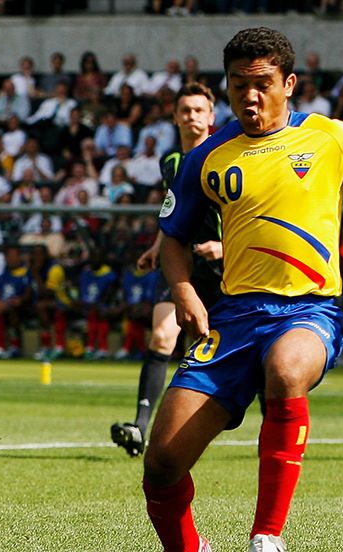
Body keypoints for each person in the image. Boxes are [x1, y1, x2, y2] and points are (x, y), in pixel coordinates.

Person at [137, 27, 343, 552]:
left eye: (262, 85)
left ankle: (268, 536)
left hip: (310, 309)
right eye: (238, 86)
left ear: (288, 85)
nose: (249, 98)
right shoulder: (207, 156)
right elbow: (171, 238)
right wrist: (182, 289)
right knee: (163, 462)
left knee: (286, 368)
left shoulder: (330, 137)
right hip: (231, 319)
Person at [111, 82, 221, 458]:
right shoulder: (171, 162)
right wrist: (158, 248)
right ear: (175, 117)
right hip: (180, 266)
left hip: (225, 268)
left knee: (239, 351)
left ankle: (272, 427)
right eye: (185, 110)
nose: (192, 116)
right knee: (161, 336)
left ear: (211, 116)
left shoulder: (227, 158)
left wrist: (224, 247)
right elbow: (172, 212)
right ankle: (140, 428)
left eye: (198, 110)